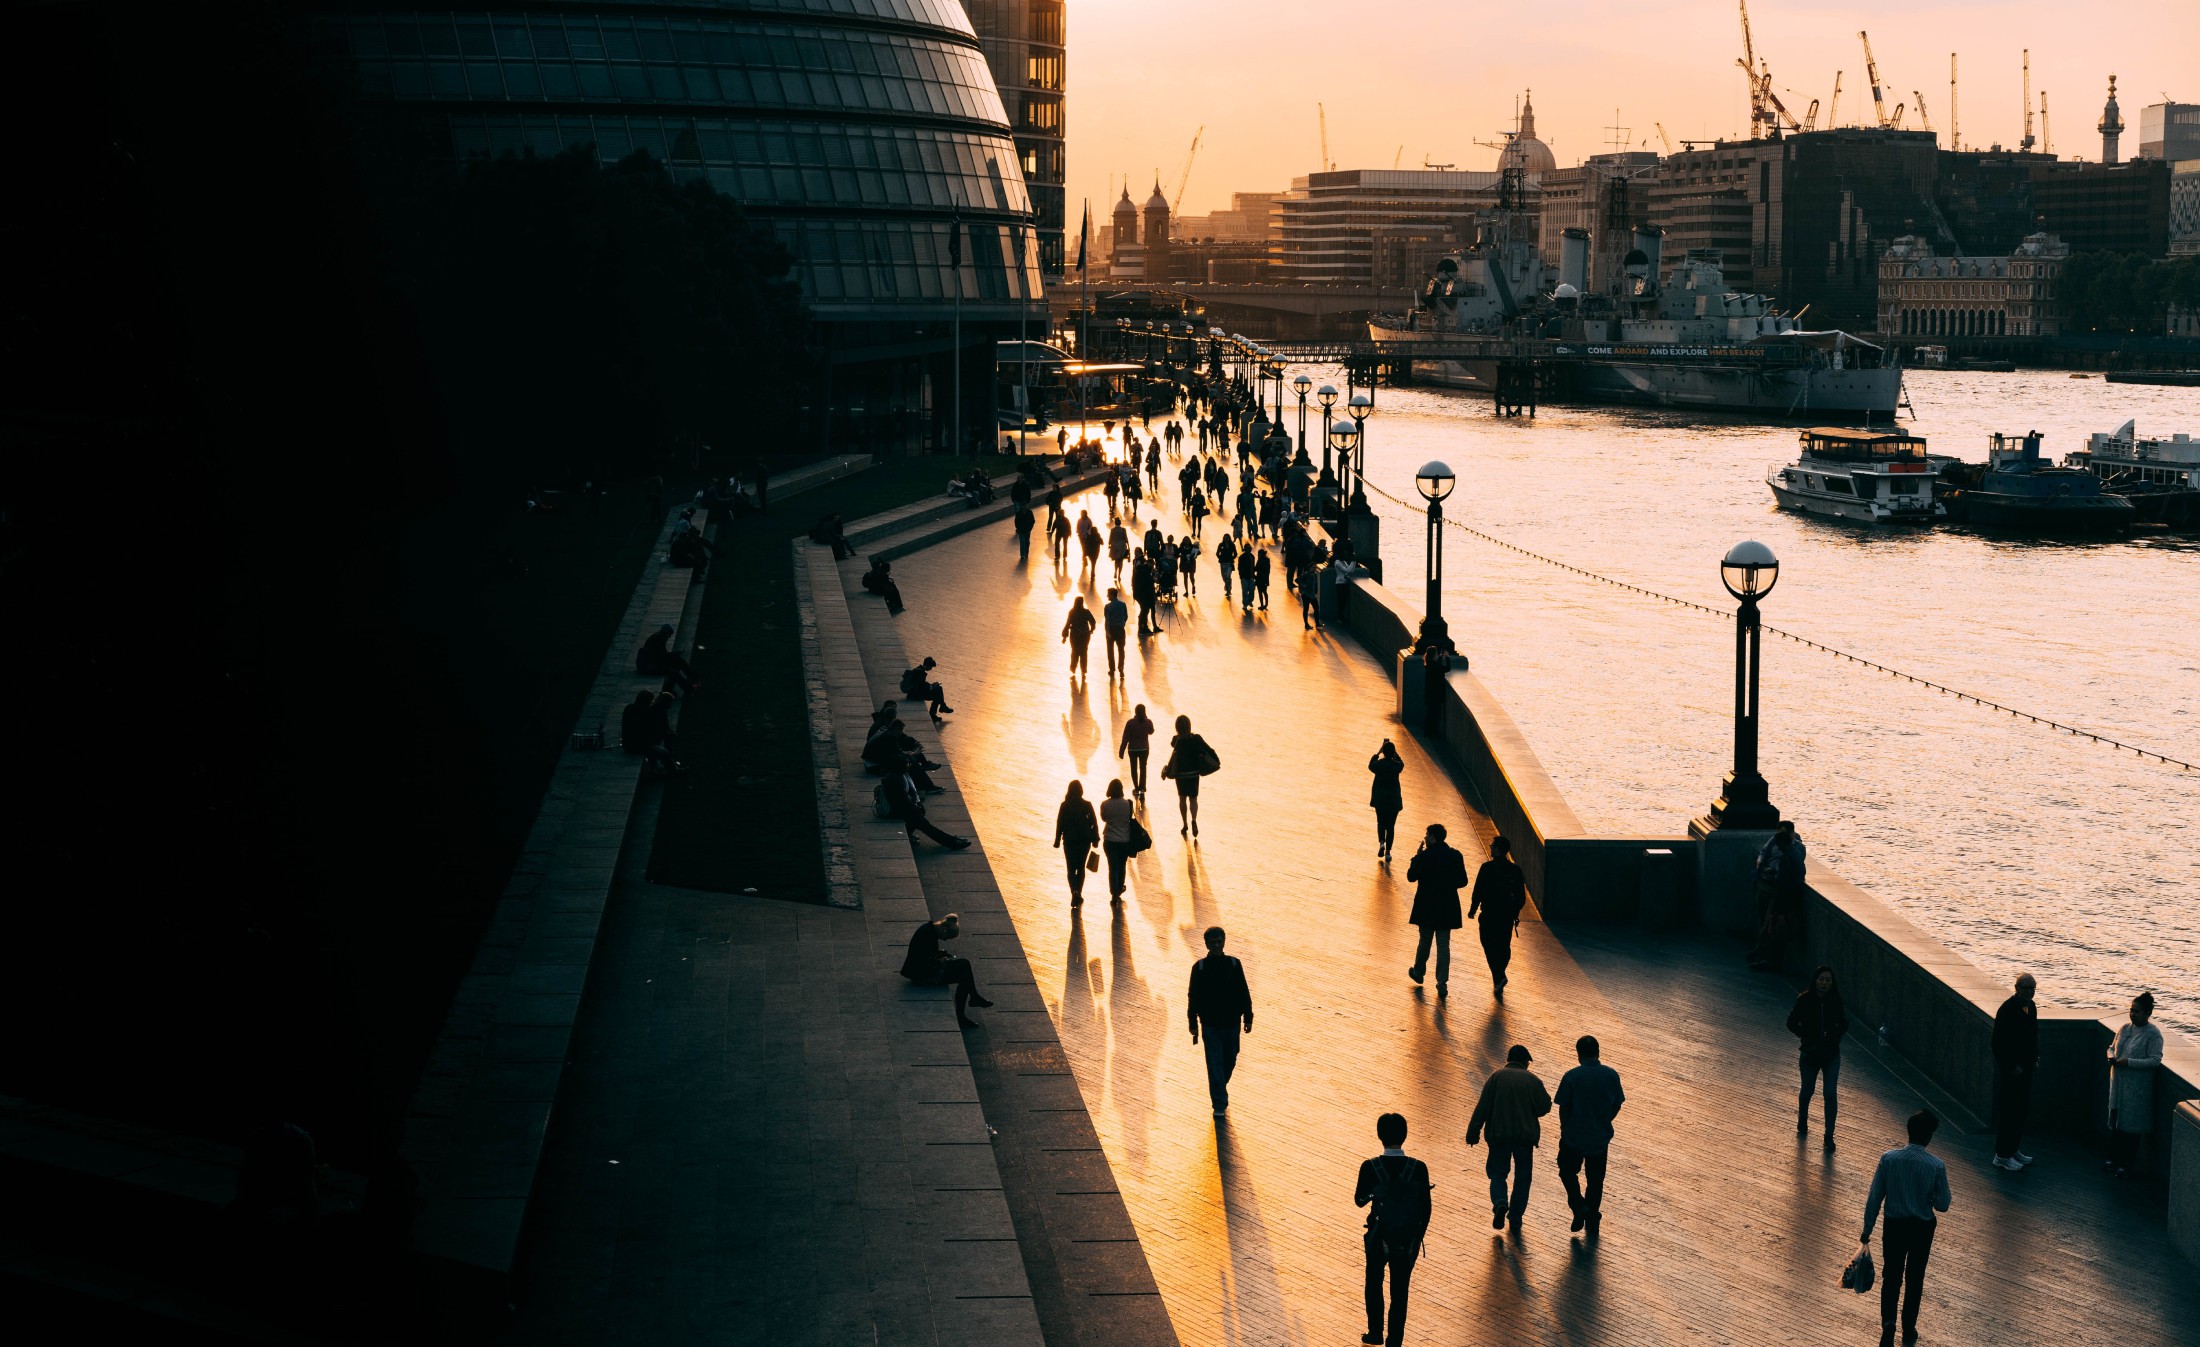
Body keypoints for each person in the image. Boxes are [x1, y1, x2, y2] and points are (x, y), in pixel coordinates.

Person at [1860, 1110, 1951, 1347]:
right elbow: (1943, 1205)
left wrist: (1867, 1229)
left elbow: (1874, 1197)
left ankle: (1888, 1324)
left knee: (1891, 1276)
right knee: (1915, 1278)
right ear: (1929, 1137)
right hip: (1922, 1227)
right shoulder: (1936, 1166)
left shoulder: (1888, 1159)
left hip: (1894, 1225)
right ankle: (1908, 1327)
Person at [1355, 1113, 1433, 1347]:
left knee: (1374, 1283)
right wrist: (1416, 1238)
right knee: (1400, 1291)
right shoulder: (1418, 1167)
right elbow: (1426, 1208)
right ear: (1404, 1135)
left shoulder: (1370, 1166)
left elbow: (1359, 1200)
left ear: (1380, 1136)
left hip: (1379, 1235)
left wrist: (1377, 1193)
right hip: (1406, 1238)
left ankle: (1375, 1332)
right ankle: (1394, 1340)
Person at [1464, 1044, 1551, 1234]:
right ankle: (1516, 1216)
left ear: (1509, 1059)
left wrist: (1473, 1132)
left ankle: (1500, 1202)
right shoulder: (1531, 1080)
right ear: (1525, 1061)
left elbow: (1482, 1107)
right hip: (1524, 1137)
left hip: (1498, 1135)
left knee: (1497, 1173)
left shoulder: (1495, 1077)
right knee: (1523, 1177)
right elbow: (1545, 1107)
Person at [1553, 1036, 1624, 1236]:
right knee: (1595, 1179)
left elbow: (1563, 1106)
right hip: (1599, 1138)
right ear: (1598, 1052)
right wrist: (1605, 1120)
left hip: (1573, 1136)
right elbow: (1617, 1103)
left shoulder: (1571, 1077)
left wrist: (1564, 1127)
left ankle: (1578, 1205)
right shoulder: (1611, 1075)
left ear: (1578, 1054)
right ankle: (1592, 1213)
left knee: (1567, 1171)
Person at [1187, 926, 1253, 1116]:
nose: (1216, 945)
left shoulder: (1234, 964)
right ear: (1206, 944)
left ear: (1224, 942)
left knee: (1230, 1060)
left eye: (1219, 941)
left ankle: (1218, 1086)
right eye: (1212, 942)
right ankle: (1219, 1104)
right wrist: (1193, 1023)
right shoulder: (1199, 968)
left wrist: (1248, 1016)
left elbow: (1243, 990)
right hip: (1210, 1025)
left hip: (1232, 1023)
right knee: (1215, 1063)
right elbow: (1193, 997)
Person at [1788, 965, 1850, 1152]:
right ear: (1815, 980)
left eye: (1828, 980)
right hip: (1810, 1054)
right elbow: (1791, 1023)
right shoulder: (1804, 1000)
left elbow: (1844, 1023)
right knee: (1807, 1090)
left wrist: (1835, 1036)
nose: (1824, 983)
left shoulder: (1835, 1001)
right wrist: (1806, 1036)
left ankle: (1829, 1135)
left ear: (1832, 983)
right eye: (1821, 979)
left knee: (1830, 1093)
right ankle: (1802, 1119)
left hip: (1831, 1055)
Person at [2105, 991, 2164, 1179]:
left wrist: (2129, 1062)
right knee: (2116, 1124)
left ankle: (2125, 1165)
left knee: (2131, 1128)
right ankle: (2113, 1159)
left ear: (2148, 1013)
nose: (2132, 1014)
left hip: (2136, 1089)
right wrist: (2111, 1056)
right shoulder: (2124, 1028)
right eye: (2131, 1010)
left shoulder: (2153, 1034)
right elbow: (2111, 1047)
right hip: (2119, 1085)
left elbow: (2155, 1060)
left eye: (2137, 1012)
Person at [1404, 823, 1466, 996]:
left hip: (1426, 905)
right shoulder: (1455, 855)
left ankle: (1418, 972)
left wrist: (1417, 857)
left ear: (1432, 837)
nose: (1425, 837)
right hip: (1447, 905)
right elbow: (1463, 881)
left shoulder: (1425, 857)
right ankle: (1442, 982)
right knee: (1443, 944)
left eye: (1427, 834)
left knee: (1425, 941)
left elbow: (1411, 877)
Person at [901, 914, 993, 1028]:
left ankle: (972, 1000)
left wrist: (938, 955)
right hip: (922, 976)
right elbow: (926, 962)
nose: (944, 940)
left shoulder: (928, 930)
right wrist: (942, 961)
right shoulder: (928, 935)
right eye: (946, 937)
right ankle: (966, 1009)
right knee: (964, 972)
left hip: (921, 971)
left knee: (964, 966)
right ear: (944, 930)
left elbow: (924, 955)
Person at [1467, 836, 1527, 997]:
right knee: (1504, 945)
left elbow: (1478, 890)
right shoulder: (1516, 870)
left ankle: (1499, 976)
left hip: (1489, 914)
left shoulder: (1487, 868)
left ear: (1497, 849)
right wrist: (1514, 912)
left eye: (1492, 845)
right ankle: (1498, 978)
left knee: (1488, 945)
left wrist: (1472, 909)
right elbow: (1521, 897)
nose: (1490, 848)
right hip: (1506, 916)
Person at [1991, 973, 2039, 1171]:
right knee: (2009, 1112)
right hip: (2012, 1072)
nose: (2028, 991)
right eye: (2025, 988)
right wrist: (2012, 1066)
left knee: (2021, 1111)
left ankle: (2013, 1149)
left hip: (2026, 1068)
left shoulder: (2032, 1007)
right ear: (2016, 988)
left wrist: (2035, 1057)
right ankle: (2002, 1155)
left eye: (2031, 988)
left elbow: (2033, 1035)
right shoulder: (2008, 1009)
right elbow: (1998, 1042)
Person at [1747, 821, 1807, 969]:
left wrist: (1774, 874)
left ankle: (1764, 955)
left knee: (1772, 924)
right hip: (1777, 889)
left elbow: (1784, 879)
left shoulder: (1791, 853)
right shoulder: (1786, 848)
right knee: (1766, 919)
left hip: (1781, 895)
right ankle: (1763, 953)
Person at [881, 769, 969, 850]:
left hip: (900, 808)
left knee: (923, 821)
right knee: (924, 825)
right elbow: (901, 801)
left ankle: (951, 841)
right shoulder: (894, 779)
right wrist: (916, 808)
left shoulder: (899, 776)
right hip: (894, 811)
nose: (908, 766)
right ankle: (952, 842)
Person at [1161, 714, 1218, 837]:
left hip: (1180, 775)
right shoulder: (1196, 739)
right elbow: (1208, 749)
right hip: (1193, 775)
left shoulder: (1176, 740)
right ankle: (1194, 820)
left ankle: (1185, 824)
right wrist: (1215, 760)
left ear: (1177, 727)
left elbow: (1173, 750)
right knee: (1193, 799)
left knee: (1182, 798)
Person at [1053, 781, 1099, 907]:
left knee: (1071, 869)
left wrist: (1057, 839)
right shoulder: (1087, 805)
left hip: (1069, 841)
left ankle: (1074, 892)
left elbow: (1060, 823)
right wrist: (1096, 838)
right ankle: (1078, 892)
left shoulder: (1065, 805)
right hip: (1084, 840)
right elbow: (1094, 822)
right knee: (1081, 867)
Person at [621, 691, 680, 773]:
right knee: (664, 752)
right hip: (637, 745)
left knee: (656, 743)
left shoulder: (629, 708)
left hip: (627, 743)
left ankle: (655, 766)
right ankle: (673, 771)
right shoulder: (644, 713)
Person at [1098, 779, 1136, 902]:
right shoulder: (1128, 804)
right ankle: (1119, 888)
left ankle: (1114, 892)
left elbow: (1104, 818)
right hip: (1124, 840)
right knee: (1122, 865)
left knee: (1112, 867)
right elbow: (1129, 818)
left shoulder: (1104, 804)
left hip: (1109, 840)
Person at [636, 623, 701, 693]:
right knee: (674, 671)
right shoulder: (659, 638)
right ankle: (689, 687)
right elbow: (661, 657)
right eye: (669, 635)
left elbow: (661, 655)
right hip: (650, 666)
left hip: (653, 662)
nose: (669, 637)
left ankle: (689, 678)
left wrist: (674, 655)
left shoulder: (657, 637)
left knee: (677, 662)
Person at [1368, 741, 1405, 859]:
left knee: (1381, 822)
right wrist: (1395, 754)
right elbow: (1401, 763)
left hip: (1380, 800)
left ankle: (1381, 843)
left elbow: (1370, 764)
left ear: (1384, 752)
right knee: (1391, 826)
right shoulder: (1396, 766)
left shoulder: (1378, 765)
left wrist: (1378, 752)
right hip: (1393, 801)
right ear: (1393, 752)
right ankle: (1388, 852)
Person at [899, 657, 953, 724]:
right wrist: (932, 686)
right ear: (927, 665)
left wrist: (931, 686)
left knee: (938, 689)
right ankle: (937, 711)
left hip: (914, 692)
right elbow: (921, 686)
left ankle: (942, 707)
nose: (931, 669)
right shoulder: (920, 672)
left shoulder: (918, 669)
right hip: (915, 695)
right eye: (931, 667)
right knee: (937, 693)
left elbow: (921, 684)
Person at [1119, 703, 1156, 799]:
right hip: (1144, 749)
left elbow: (1125, 737)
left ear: (1135, 712)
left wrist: (1121, 750)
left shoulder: (1130, 723)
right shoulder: (1148, 722)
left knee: (1133, 769)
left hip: (1133, 749)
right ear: (1144, 712)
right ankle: (1142, 787)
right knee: (1143, 768)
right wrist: (1146, 718)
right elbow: (1151, 732)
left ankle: (1136, 787)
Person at [1062, 596, 1097, 681]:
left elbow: (1068, 623)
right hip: (1085, 635)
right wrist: (1091, 629)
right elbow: (1093, 621)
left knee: (1074, 650)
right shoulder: (1086, 612)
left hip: (1074, 634)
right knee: (1084, 652)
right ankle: (1083, 671)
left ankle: (1073, 667)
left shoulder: (1072, 612)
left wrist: (1065, 636)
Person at [1103, 587, 1130, 678]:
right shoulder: (1123, 605)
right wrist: (1121, 624)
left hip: (1111, 629)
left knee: (1110, 651)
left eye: (1108, 594)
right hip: (1120, 629)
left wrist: (1107, 632)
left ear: (1111, 595)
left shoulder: (1107, 607)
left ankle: (1112, 669)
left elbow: (1107, 621)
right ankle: (1121, 667)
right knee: (1121, 650)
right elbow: (1126, 617)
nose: (1107, 596)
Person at [1215, 533, 1239, 603]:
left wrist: (1232, 558)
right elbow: (1217, 553)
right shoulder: (1221, 545)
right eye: (1225, 538)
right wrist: (1220, 558)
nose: (1226, 539)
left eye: (1227, 538)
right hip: (1222, 563)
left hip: (1229, 563)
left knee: (1228, 576)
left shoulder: (1232, 545)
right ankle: (1228, 585)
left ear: (1229, 538)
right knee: (1224, 576)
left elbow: (1235, 553)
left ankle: (1228, 590)